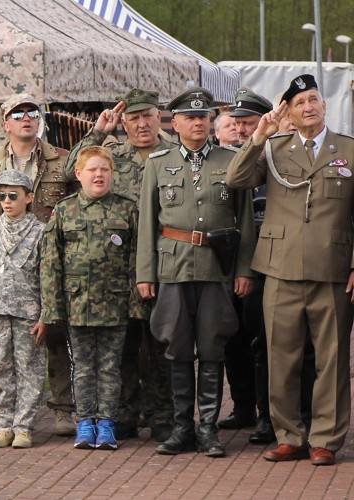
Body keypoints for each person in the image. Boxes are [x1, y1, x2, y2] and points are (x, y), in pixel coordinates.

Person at [226, 74, 354, 466]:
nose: (308, 107)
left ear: (324, 105)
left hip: (332, 270)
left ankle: (326, 440)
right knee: (282, 357)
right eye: (299, 103)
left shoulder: (348, 149)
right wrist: (259, 136)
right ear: (289, 113)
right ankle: (290, 436)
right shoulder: (274, 148)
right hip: (280, 269)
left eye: (313, 99)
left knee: (332, 361)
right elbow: (235, 179)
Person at [137, 88, 256, 457]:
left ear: (210, 121)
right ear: (176, 122)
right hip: (173, 266)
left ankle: (208, 429)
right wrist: (146, 273)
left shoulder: (230, 159)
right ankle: (181, 428)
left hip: (217, 267)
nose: (198, 123)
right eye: (190, 117)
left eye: (203, 117)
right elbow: (147, 224)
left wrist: (243, 269)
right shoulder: (159, 162)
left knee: (212, 347)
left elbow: (246, 220)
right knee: (176, 349)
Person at [64, 88, 174, 442]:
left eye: (148, 116)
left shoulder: (175, 152)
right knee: (123, 345)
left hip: (164, 259)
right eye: (133, 118)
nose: (141, 124)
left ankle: (161, 415)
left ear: (160, 117)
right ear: (124, 123)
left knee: (159, 343)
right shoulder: (113, 153)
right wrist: (98, 132)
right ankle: (124, 413)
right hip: (120, 267)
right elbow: (71, 170)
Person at [0, 93, 75, 436]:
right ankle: (6, 414)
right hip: (7, 260)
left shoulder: (61, 160)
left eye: (32, 112)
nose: (26, 118)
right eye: (17, 114)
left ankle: (63, 408)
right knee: (5, 352)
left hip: (51, 258)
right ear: (6, 123)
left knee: (54, 337)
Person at [41, 146, 138, 450]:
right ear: (79, 174)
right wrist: (52, 307)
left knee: (110, 367)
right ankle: (85, 423)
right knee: (82, 366)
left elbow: (137, 260)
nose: (98, 175)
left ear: (112, 174)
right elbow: (50, 261)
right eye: (92, 170)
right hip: (77, 303)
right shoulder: (65, 210)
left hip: (115, 303)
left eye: (104, 170)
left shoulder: (127, 209)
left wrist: (136, 303)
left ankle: (107, 424)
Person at [0, 170, 46, 449]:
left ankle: (24, 427)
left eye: (13, 195)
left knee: (30, 370)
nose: (6, 200)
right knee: (0, 368)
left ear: (28, 198)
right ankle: (4, 425)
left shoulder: (40, 232)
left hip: (29, 312)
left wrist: (45, 315)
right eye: (1, 195)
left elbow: (48, 277)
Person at [216, 86, 273, 435]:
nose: (240, 130)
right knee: (232, 339)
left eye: (248, 122)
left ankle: (267, 414)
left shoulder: (276, 158)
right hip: (228, 262)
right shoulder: (227, 159)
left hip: (265, 264)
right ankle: (242, 407)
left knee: (263, 341)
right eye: (236, 124)